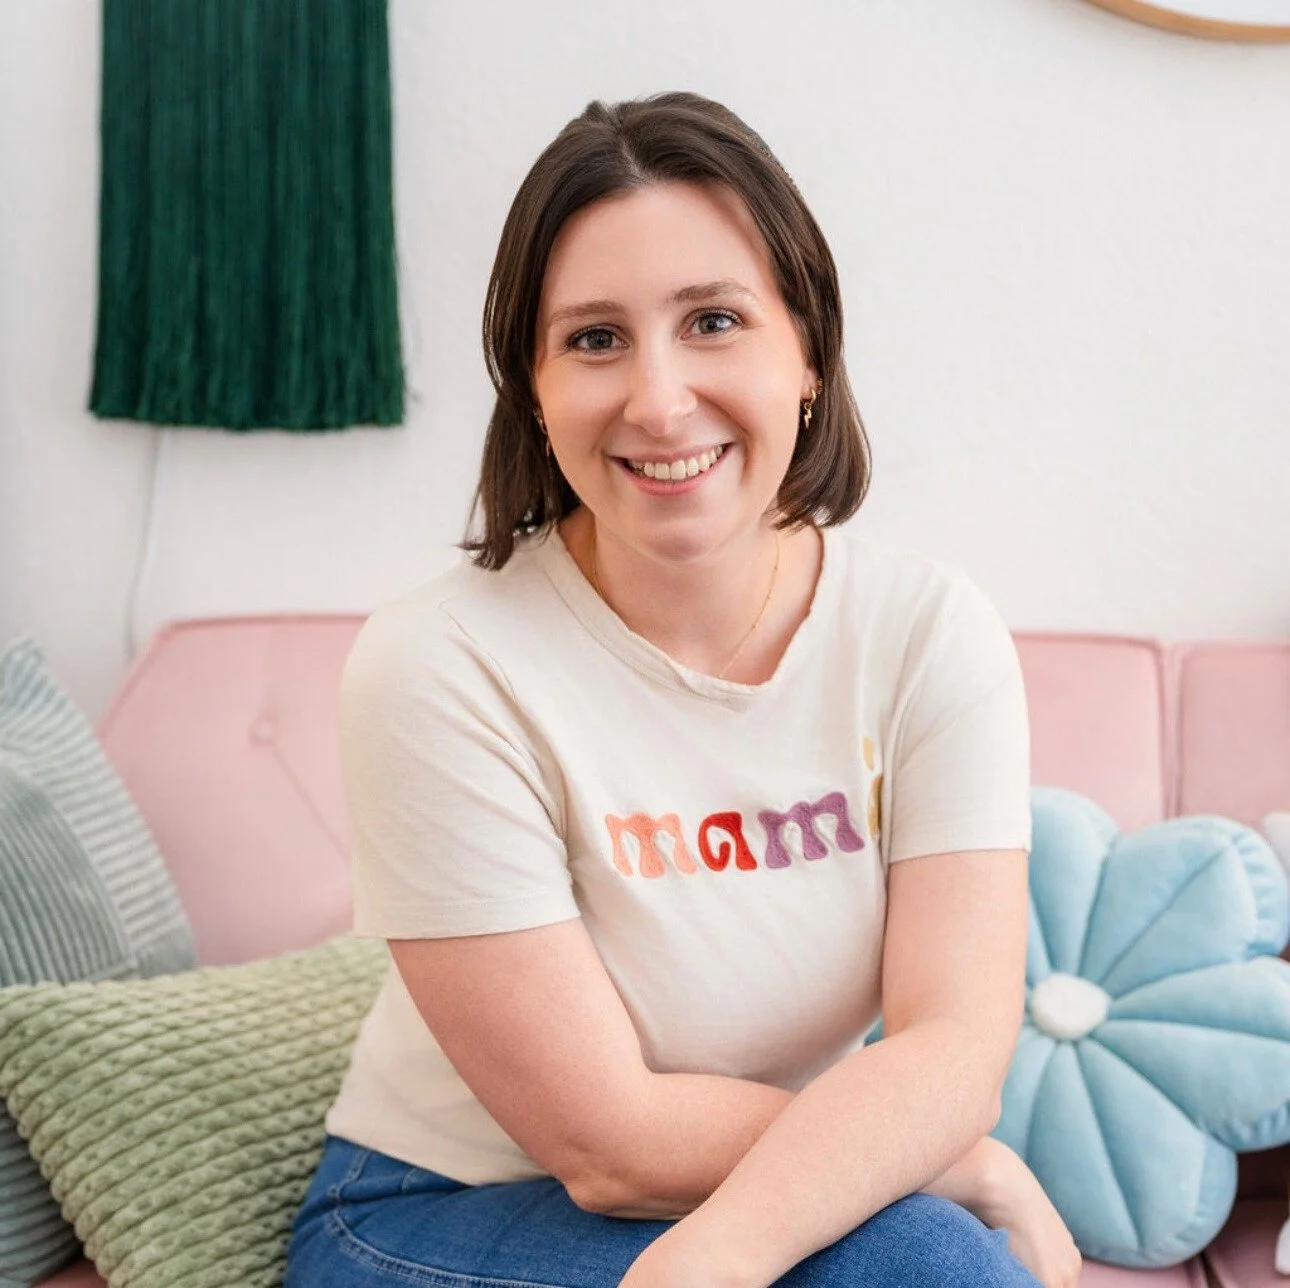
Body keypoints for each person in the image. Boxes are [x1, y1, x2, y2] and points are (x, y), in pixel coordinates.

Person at [284, 91, 1081, 1288]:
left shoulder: (927, 635)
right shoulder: (440, 665)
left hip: (768, 1200)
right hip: (431, 1212)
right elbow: (606, 1141)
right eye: (594, 339)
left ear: (807, 352)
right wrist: (957, 1167)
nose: (658, 401)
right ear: (533, 389)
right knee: (926, 1259)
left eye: (713, 320)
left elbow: (953, 1043)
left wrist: (766, 1228)